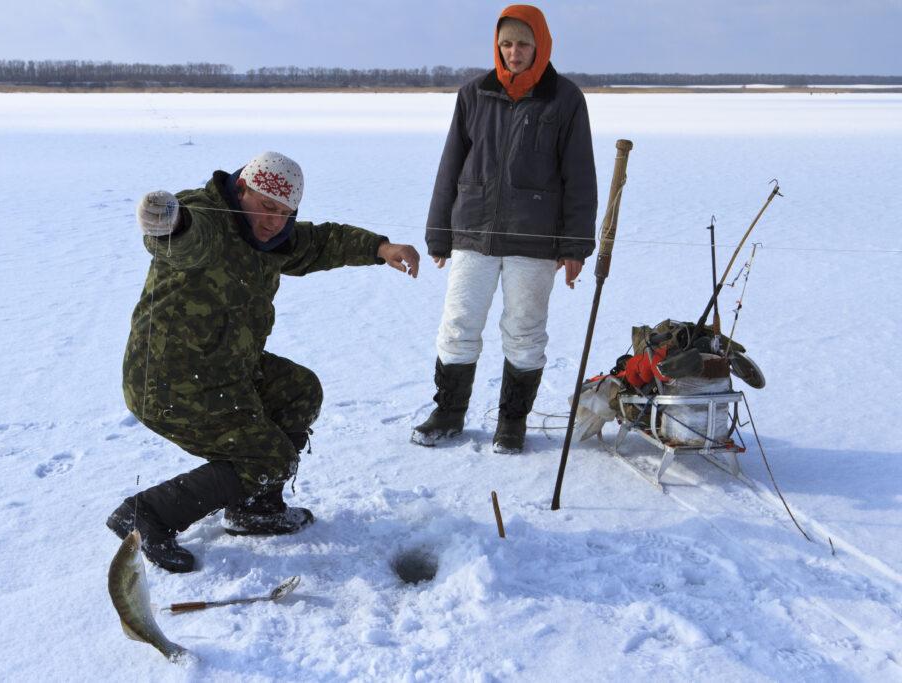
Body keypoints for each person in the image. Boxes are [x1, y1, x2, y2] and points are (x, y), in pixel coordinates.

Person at [108, 151, 420, 572]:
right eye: (266, 207)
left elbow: (321, 241)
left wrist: (381, 247)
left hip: (226, 369)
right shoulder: (211, 220)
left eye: (285, 213)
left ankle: (255, 508)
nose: (275, 220)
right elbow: (186, 239)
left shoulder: (272, 239)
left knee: (298, 389)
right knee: (270, 458)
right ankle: (148, 514)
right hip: (167, 381)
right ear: (240, 191)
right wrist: (169, 224)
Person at [412, 4, 598, 454]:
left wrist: (575, 247)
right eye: (507, 45)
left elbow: (579, 176)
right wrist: (439, 233)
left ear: (541, 45)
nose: (514, 53)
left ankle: (511, 422)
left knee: (525, 331)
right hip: (473, 232)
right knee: (458, 325)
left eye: (523, 44)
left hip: (534, 241)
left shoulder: (565, 98)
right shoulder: (474, 93)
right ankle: (449, 412)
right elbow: (450, 164)